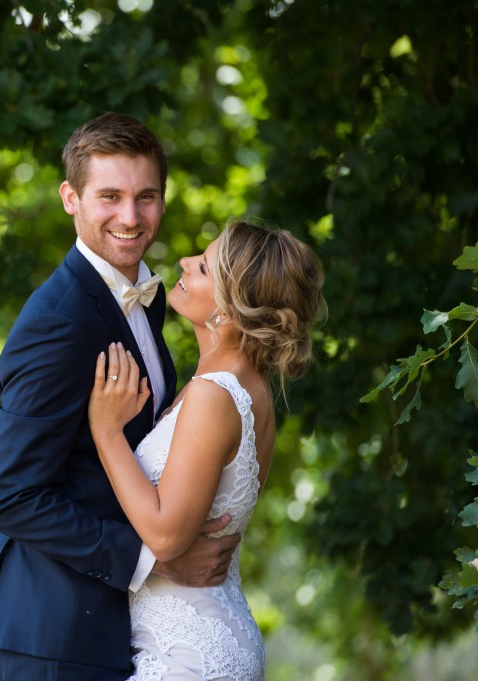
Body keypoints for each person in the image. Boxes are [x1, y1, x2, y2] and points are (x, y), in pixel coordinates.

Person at [0, 112, 241, 680]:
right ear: (71, 198)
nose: (130, 217)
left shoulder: (146, 299)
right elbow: (14, 497)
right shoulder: (57, 323)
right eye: (109, 196)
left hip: (122, 624)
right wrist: (157, 561)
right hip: (57, 626)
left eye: (147, 197)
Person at [88, 220, 326, 680]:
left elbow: (164, 536)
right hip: (204, 639)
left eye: (201, 267)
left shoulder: (215, 395)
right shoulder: (249, 390)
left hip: (188, 659)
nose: (182, 262)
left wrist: (106, 433)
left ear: (229, 309)